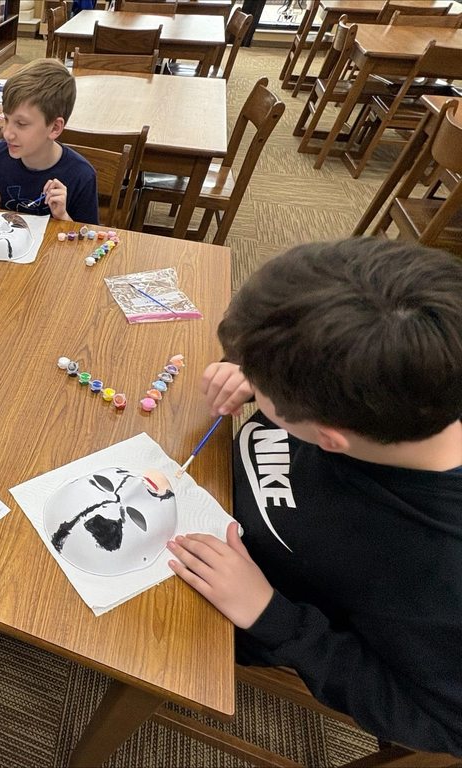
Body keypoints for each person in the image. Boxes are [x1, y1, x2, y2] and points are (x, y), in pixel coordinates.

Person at [167, 239, 462, 756]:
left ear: (330, 439)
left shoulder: (436, 575)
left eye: (263, 387)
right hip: (210, 497)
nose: (251, 384)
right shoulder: (403, 376)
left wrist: (271, 615)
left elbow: (439, 723)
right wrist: (251, 374)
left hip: (238, 608)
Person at [0, 58, 99, 224]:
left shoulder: (82, 176)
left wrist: (63, 217)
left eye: (21, 124)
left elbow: (87, 241)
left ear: (54, 128)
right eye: (6, 119)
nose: (7, 133)